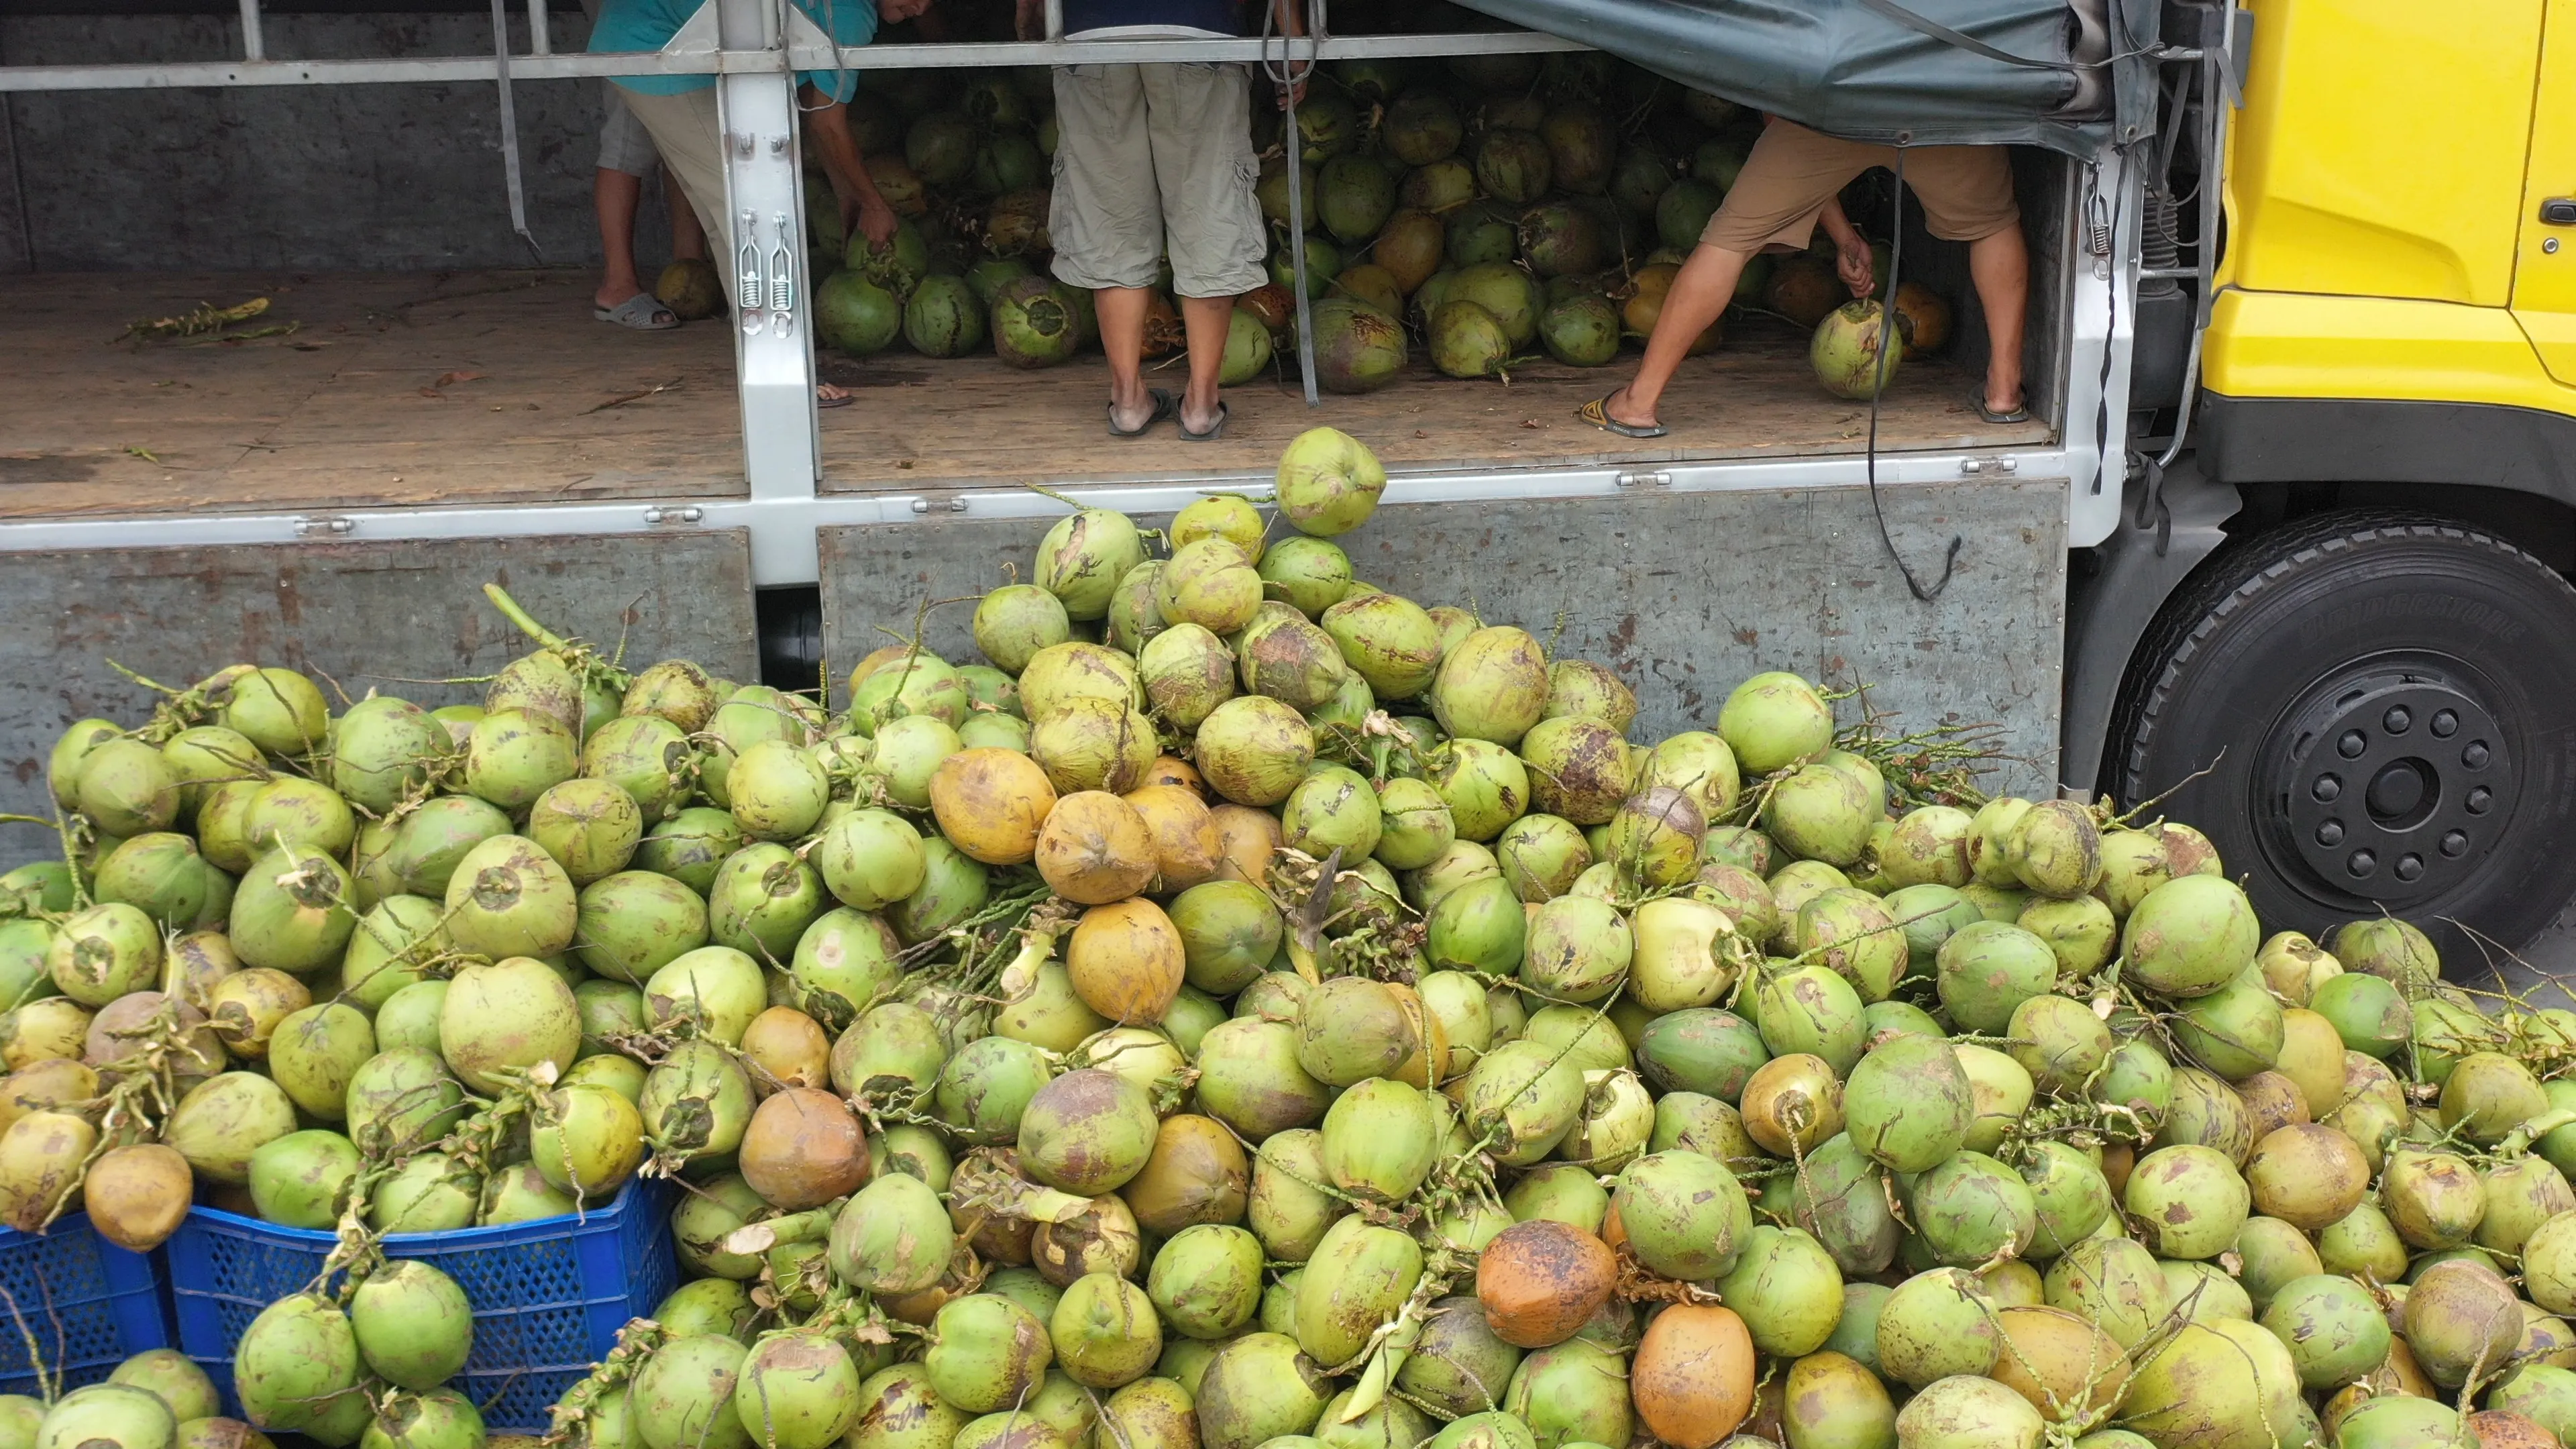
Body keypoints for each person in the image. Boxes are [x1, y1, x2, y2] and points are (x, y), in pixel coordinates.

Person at [1582, 116, 2031, 439]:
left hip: (1836, 100)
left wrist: (1842, 235)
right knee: (1992, 225)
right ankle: (2005, 391)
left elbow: (1783, 95)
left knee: (1730, 243)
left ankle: (1638, 403)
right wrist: (1843, 236)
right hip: (1946, 96)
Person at [589, 0, 924, 395]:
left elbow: (823, 121)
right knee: (752, 210)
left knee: (726, 214)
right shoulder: (851, 15)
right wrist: (873, 204)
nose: (921, 8)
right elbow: (829, 124)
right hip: (652, 47)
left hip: (632, 39)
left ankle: (765, 350)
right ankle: (785, 372)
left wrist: (847, 192)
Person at [1021, 0, 1303, 441]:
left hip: (1092, 34)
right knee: (1208, 213)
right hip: (1196, 28)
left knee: (1112, 220)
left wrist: (1033, 9)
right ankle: (1202, 407)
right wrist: (1295, 36)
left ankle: (1129, 402)